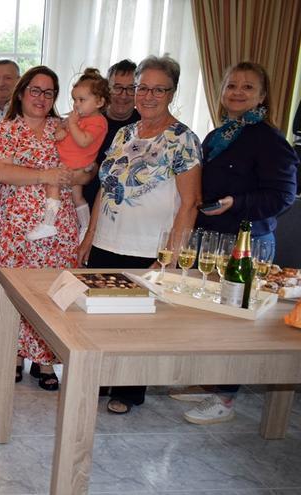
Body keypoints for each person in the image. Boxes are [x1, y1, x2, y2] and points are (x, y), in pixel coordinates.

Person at [77, 55, 203, 414]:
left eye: (157, 89)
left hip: (149, 245)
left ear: (172, 92)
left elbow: (190, 203)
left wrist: (171, 257)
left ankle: (129, 390)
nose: (147, 96)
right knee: (100, 315)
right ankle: (101, 377)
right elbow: (104, 187)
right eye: (141, 88)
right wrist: (89, 236)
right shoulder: (124, 133)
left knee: (136, 324)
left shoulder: (183, 139)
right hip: (106, 241)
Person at [180, 62, 297, 425]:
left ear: (262, 96)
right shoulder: (221, 134)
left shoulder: (269, 139)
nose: (237, 92)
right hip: (213, 238)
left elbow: (283, 195)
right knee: (206, 317)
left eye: (248, 87)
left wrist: (237, 203)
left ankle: (226, 399)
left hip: (247, 246)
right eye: (231, 85)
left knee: (236, 322)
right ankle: (211, 384)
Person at [0, 66, 89, 390]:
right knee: (13, 292)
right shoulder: (4, 129)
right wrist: (46, 175)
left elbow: (85, 169)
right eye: (36, 90)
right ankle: (11, 354)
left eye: (49, 92)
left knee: (52, 292)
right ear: (22, 92)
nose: (42, 98)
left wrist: (72, 175)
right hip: (15, 228)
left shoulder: (66, 128)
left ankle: (46, 359)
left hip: (58, 228)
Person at [27, 68, 110, 241]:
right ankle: (85, 227)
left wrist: (72, 125)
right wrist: (63, 128)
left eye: (82, 100)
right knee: (77, 197)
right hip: (71, 162)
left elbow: (84, 141)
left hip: (75, 163)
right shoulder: (79, 119)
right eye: (74, 100)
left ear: (100, 102)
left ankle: (48, 224)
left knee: (53, 186)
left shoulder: (98, 122)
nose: (76, 104)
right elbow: (57, 136)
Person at [81, 59, 142, 209]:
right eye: (117, 87)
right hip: (85, 205)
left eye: (130, 89)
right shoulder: (88, 121)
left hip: (126, 209)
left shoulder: (145, 125)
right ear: (107, 90)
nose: (123, 95)